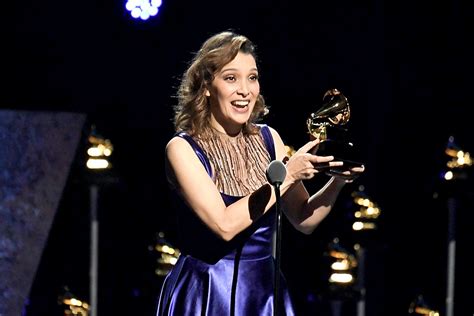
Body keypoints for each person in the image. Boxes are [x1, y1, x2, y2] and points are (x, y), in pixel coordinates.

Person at [156, 30, 365, 316]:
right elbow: (224, 225)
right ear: (206, 85)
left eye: (252, 77)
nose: (245, 90)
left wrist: (337, 181)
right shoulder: (182, 149)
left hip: (262, 293)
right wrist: (288, 174)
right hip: (207, 291)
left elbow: (304, 219)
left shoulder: (269, 139)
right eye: (231, 78)